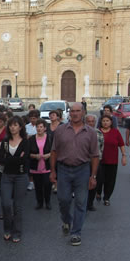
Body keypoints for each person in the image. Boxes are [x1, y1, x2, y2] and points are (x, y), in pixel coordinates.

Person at [50, 103, 99, 246]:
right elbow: (54, 151)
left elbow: (95, 156)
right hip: (63, 169)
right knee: (63, 200)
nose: (75, 113)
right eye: (72, 111)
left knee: (80, 202)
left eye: (78, 111)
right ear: (69, 113)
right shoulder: (60, 130)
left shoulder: (91, 132)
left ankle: (76, 232)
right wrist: (53, 171)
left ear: (83, 112)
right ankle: (66, 220)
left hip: (82, 170)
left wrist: (93, 176)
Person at [0, 116, 30, 243]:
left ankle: (17, 231)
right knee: (6, 204)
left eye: (15, 125)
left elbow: (25, 159)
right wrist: (17, 159)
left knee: (17, 206)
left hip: (21, 176)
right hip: (6, 176)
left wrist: (9, 159)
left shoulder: (25, 142)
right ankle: (7, 228)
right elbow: (1, 160)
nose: (13, 127)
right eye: (11, 125)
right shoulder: (5, 142)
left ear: (20, 127)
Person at [96, 115, 126, 206]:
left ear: (111, 122)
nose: (105, 122)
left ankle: (107, 197)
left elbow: (121, 144)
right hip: (99, 160)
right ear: (101, 122)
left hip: (112, 161)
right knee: (99, 179)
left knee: (110, 180)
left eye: (107, 121)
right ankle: (98, 192)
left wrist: (124, 156)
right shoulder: (97, 132)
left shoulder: (115, 132)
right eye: (103, 121)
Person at [29, 119, 52, 210]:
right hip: (35, 167)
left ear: (45, 128)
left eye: (41, 127)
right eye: (37, 127)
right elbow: (27, 153)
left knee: (47, 185)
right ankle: (39, 202)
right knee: (38, 186)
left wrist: (49, 155)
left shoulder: (50, 137)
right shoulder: (31, 139)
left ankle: (48, 202)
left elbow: (55, 150)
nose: (39, 129)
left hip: (47, 166)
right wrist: (34, 156)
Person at [85, 114, 104, 212]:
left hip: (96, 162)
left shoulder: (99, 133)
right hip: (84, 162)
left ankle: (90, 203)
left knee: (94, 183)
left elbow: (101, 148)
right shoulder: (81, 133)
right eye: (89, 121)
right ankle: (83, 203)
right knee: (83, 184)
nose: (91, 123)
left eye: (93, 121)